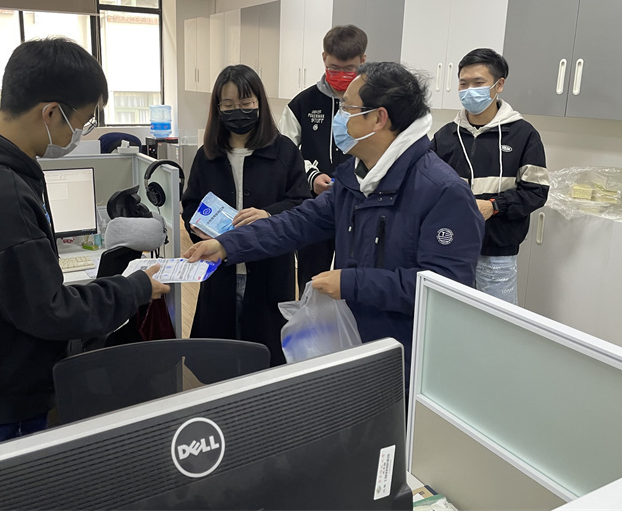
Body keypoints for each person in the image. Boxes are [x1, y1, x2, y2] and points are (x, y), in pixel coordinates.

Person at [0, 38, 170, 452]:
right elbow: (51, 311)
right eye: (83, 122)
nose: (80, 134)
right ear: (51, 112)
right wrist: (135, 288)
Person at [185, 61, 484, 388]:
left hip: (406, 359)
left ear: (378, 118)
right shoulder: (355, 178)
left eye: (347, 108)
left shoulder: (442, 191)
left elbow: (443, 289)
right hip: (353, 343)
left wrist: (352, 283)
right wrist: (227, 244)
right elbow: (298, 223)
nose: (338, 118)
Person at [181, 64, 310, 366]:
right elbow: (190, 205)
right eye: (228, 105)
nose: (237, 111)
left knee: (264, 357)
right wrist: (198, 227)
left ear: (259, 104)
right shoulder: (207, 155)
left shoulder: (284, 152)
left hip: (269, 271)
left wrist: (267, 214)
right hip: (219, 271)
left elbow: (301, 204)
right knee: (220, 358)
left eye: (245, 103)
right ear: (218, 108)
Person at [431, 48, 549, 304]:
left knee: (493, 320)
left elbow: (536, 191)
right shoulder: (445, 136)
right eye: (463, 83)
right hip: (449, 246)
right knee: (449, 315)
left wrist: (494, 206)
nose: (469, 90)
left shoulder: (523, 135)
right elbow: (427, 187)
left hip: (497, 253)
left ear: (499, 85)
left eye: (478, 83)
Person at [279, 25, 368, 292]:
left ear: (363, 60)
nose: (341, 75)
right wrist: (311, 177)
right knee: (311, 278)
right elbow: (285, 153)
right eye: (334, 68)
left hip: (360, 207)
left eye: (349, 69)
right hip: (314, 206)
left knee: (354, 280)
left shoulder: (374, 104)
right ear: (323, 57)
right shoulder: (302, 104)